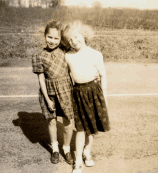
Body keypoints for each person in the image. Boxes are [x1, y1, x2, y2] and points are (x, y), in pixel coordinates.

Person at [62, 21, 111, 173]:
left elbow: (103, 75)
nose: (74, 41)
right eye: (70, 40)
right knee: (81, 129)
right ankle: (77, 162)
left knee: (92, 126)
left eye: (76, 37)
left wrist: (104, 97)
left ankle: (87, 152)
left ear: (83, 34)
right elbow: (68, 77)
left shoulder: (96, 54)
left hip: (94, 93)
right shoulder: (68, 56)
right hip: (78, 94)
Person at [32, 20, 74, 165]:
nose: (52, 41)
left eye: (56, 38)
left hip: (66, 91)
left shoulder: (65, 51)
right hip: (49, 93)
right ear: (45, 36)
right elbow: (41, 80)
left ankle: (67, 149)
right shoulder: (39, 55)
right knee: (52, 122)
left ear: (60, 39)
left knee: (69, 122)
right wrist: (47, 99)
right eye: (50, 37)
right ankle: (55, 149)